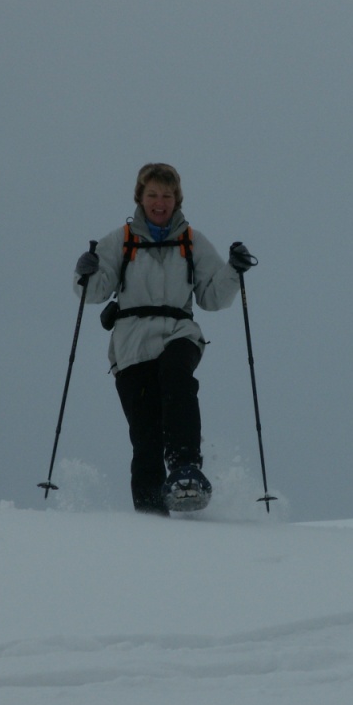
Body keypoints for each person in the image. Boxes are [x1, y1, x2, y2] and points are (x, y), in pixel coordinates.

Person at [74, 163, 256, 515]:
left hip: (179, 332)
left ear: (177, 200)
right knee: (146, 438)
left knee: (176, 375)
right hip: (132, 345)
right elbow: (94, 292)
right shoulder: (120, 241)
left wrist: (234, 271)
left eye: (167, 196)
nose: (160, 203)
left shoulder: (192, 241)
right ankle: (151, 520)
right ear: (140, 198)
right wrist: (85, 273)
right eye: (153, 195)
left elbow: (211, 297)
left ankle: (185, 467)